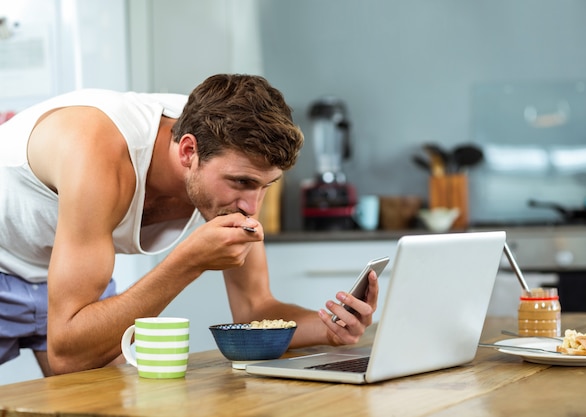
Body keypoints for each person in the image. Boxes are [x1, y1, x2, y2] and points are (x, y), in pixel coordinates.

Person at [0, 74, 380, 376]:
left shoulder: (228, 153)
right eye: (242, 183)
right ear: (187, 151)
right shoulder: (99, 152)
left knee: (108, 402)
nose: (252, 206)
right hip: (6, 266)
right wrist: (189, 262)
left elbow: (254, 309)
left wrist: (329, 326)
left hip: (67, 280)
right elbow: (68, 353)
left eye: (266, 186)